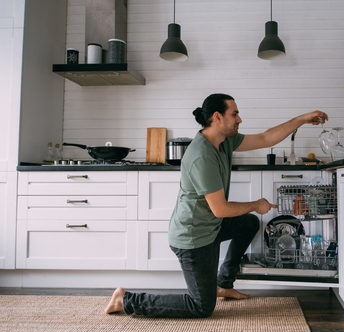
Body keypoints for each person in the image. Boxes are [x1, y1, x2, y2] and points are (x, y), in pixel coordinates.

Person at [104, 93, 328, 318]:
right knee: (200, 306)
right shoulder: (202, 155)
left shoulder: (224, 140)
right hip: (194, 237)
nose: (239, 119)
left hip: (211, 226)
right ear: (217, 117)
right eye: (235, 114)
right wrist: (256, 204)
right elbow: (220, 209)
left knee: (248, 223)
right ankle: (126, 300)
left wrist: (302, 119)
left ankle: (223, 284)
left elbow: (264, 138)